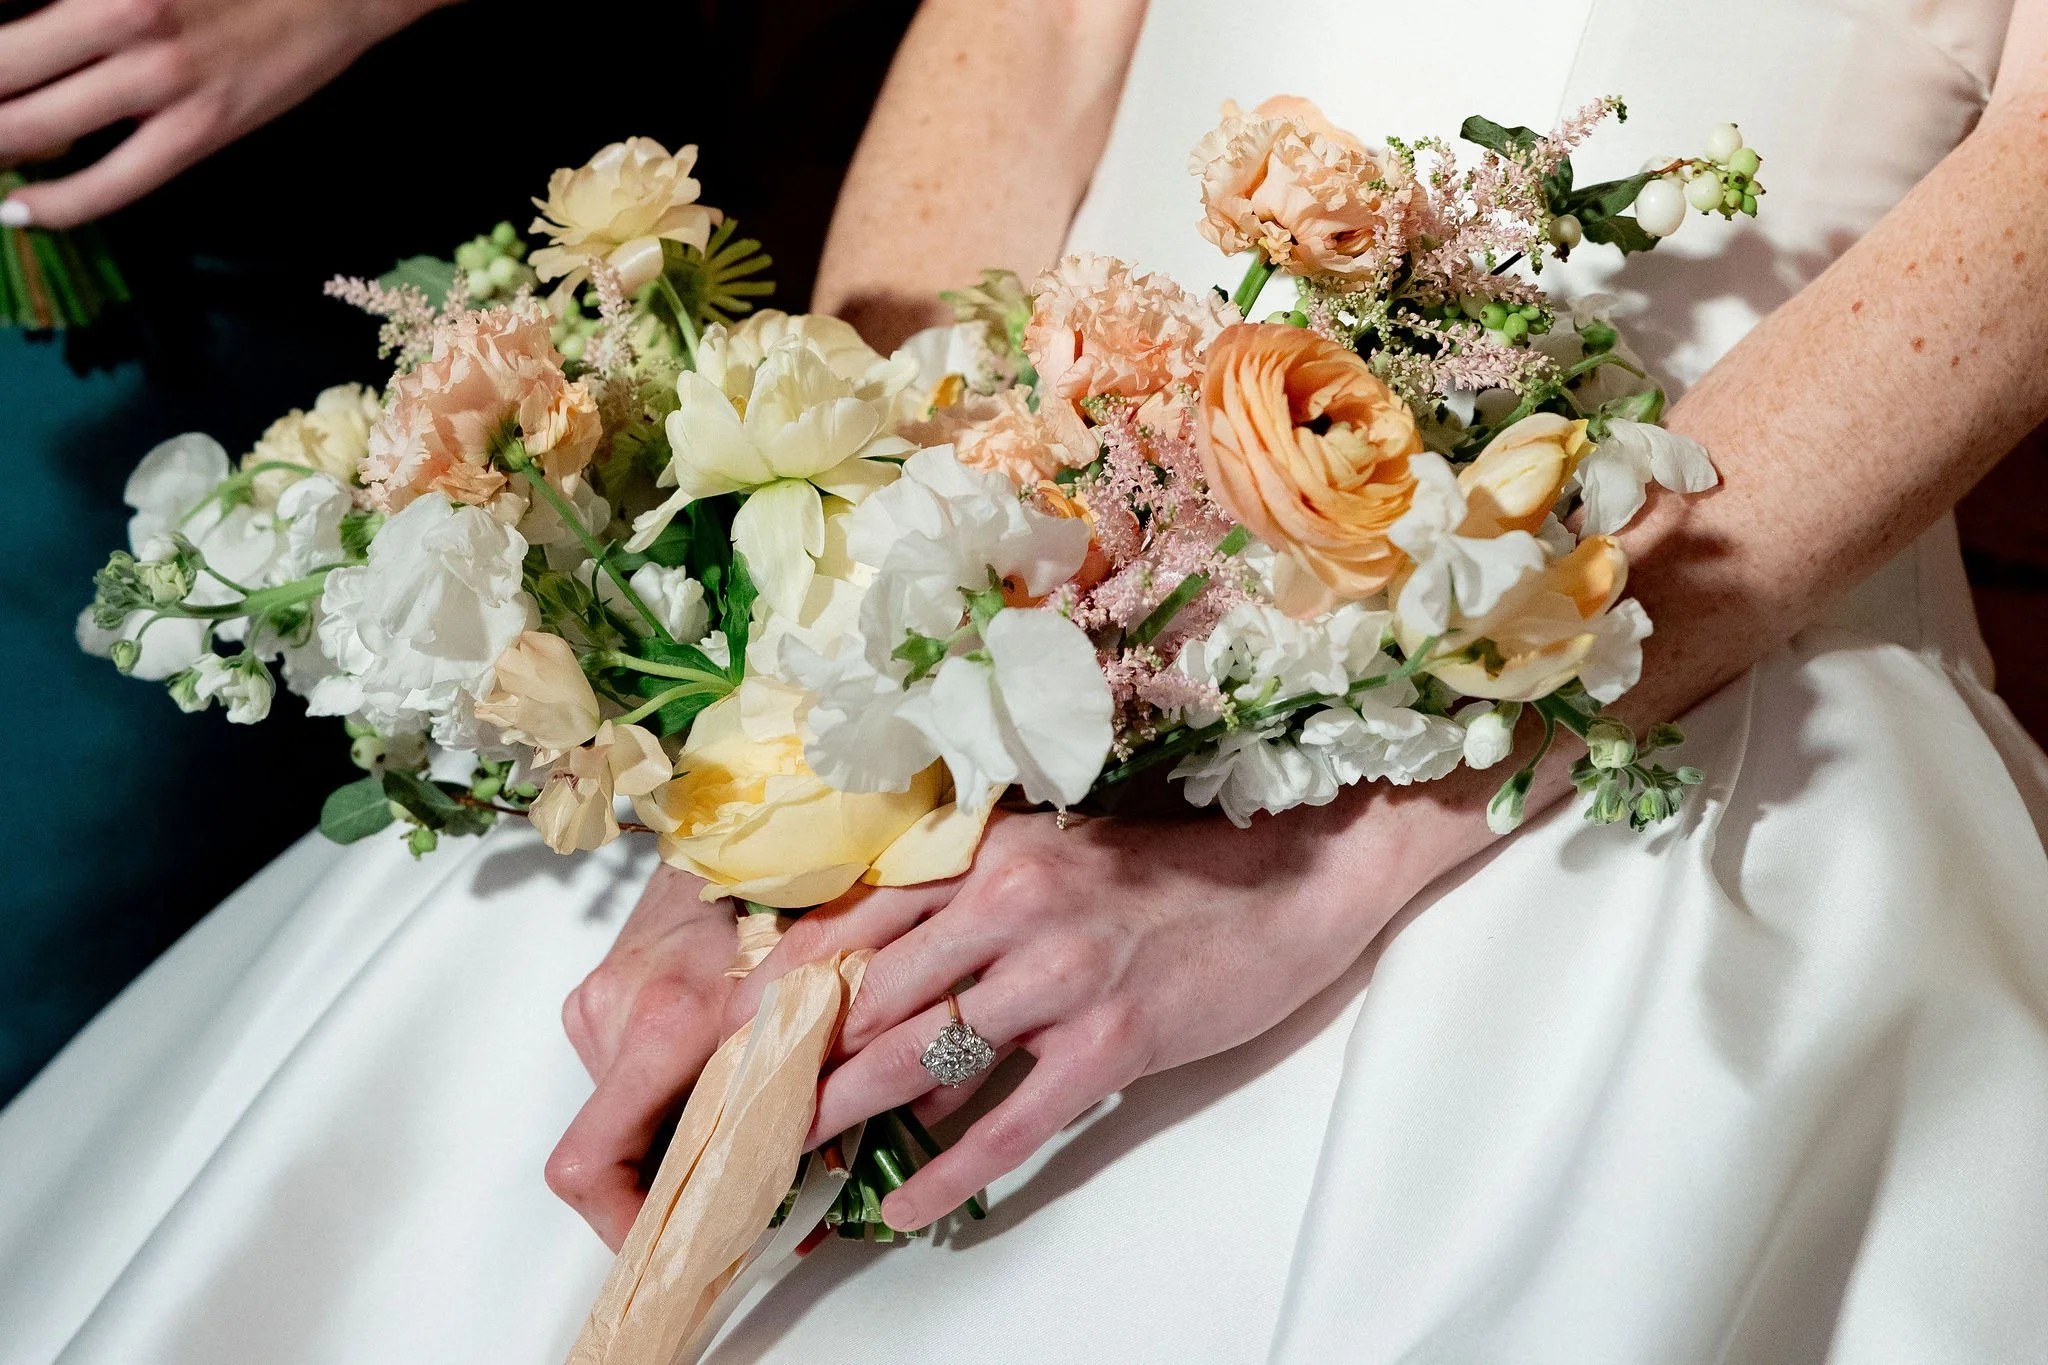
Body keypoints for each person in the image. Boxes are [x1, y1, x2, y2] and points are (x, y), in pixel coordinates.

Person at [3, 2, 2047, 1364]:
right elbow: (1033, 39)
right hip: (1014, 544)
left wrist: (1344, 847)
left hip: (1667, 665)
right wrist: (811, 726)